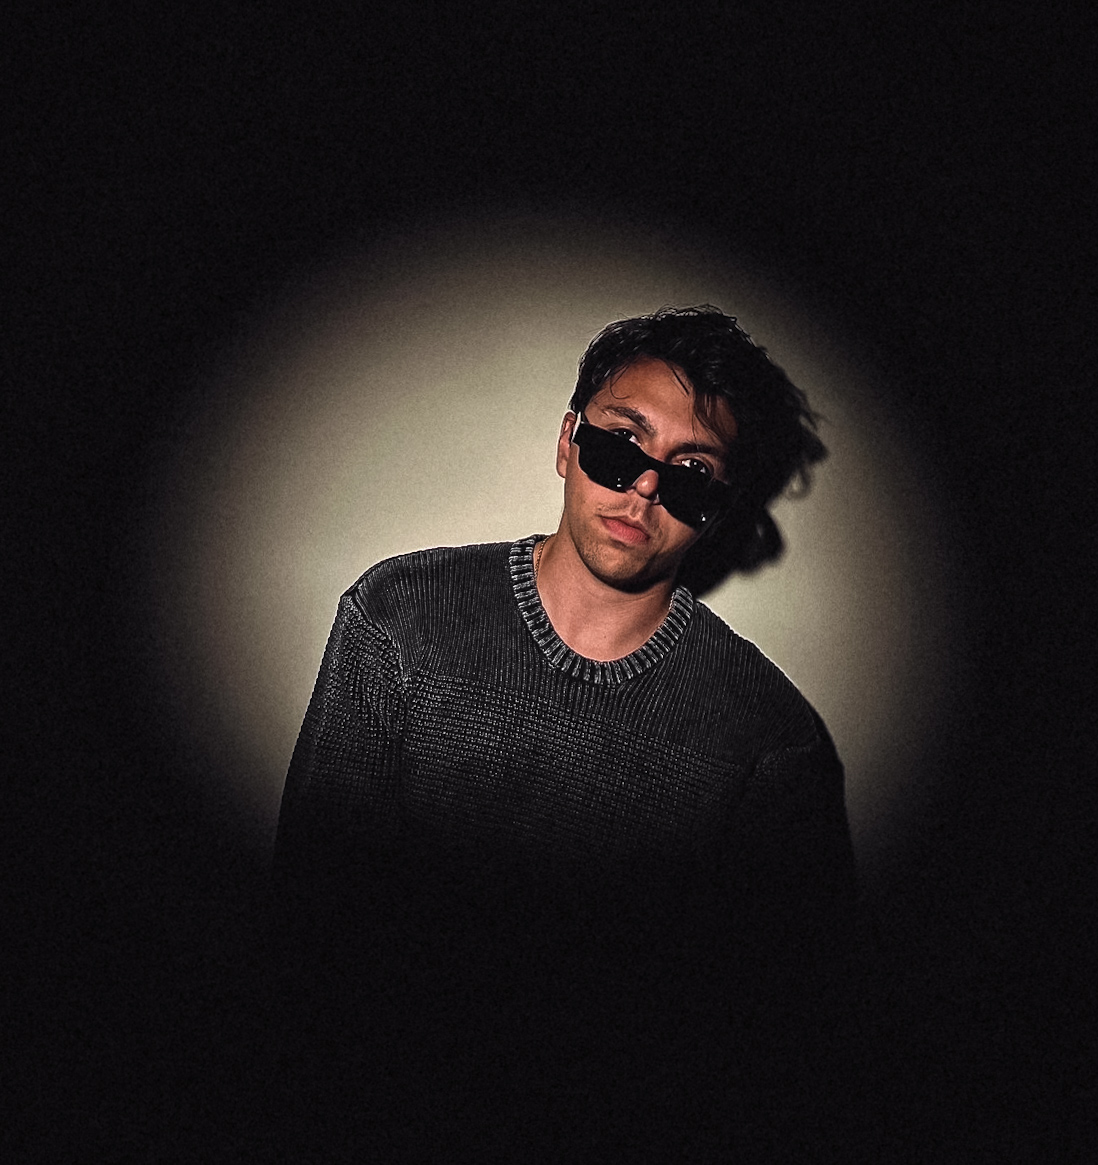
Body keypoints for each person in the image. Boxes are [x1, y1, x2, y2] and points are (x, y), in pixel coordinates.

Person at [269, 306, 857, 1160]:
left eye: (690, 474)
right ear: (566, 441)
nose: (644, 488)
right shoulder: (398, 616)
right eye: (620, 447)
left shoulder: (767, 740)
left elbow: (770, 1028)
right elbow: (312, 913)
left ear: (719, 510)